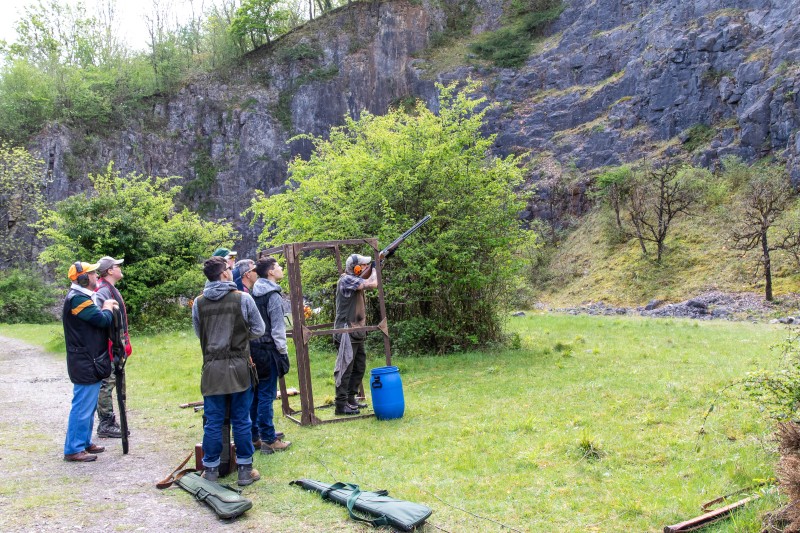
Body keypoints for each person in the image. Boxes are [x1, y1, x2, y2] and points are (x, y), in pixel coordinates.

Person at [192, 256, 265, 486]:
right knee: (241, 420)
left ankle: (210, 471)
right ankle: (245, 471)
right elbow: (259, 329)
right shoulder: (243, 299)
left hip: (212, 370)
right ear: (224, 274)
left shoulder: (198, 302)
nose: (231, 271)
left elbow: (199, 333)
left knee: (213, 422)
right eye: (229, 268)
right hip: (239, 369)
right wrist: (241, 339)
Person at [63, 261, 119, 462]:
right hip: (85, 361)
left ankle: (84, 443)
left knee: (88, 406)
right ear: (84, 278)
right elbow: (102, 320)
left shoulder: (82, 297)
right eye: (93, 274)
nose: (97, 277)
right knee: (82, 406)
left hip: (89, 360)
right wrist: (107, 307)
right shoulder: (78, 299)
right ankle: (74, 448)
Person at [245, 257, 291, 454]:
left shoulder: (253, 293)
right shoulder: (272, 295)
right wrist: (283, 352)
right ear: (271, 272)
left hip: (254, 348)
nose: (281, 268)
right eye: (278, 266)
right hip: (268, 349)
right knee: (266, 395)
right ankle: (269, 439)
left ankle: (254, 436)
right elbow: (278, 329)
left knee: (256, 394)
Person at [333, 254, 378, 415]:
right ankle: (341, 403)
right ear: (356, 268)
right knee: (345, 369)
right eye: (364, 265)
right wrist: (375, 268)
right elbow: (373, 284)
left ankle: (351, 399)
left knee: (359, 367)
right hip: (346, 330)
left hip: (356, 330)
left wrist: (376, 265)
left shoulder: (354, 279)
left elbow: (368, 281)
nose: (366, 267)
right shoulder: (346, 280)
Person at [94, 256, 130, 439]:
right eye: (117, 266)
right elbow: (101, 320)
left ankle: (113, 422)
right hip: (109, 347)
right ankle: (106, 423)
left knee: (116, 382)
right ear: (109, 270)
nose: (120, 268)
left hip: (116, 346)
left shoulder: (110, 289)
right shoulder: (102, 292)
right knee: (107, 384)